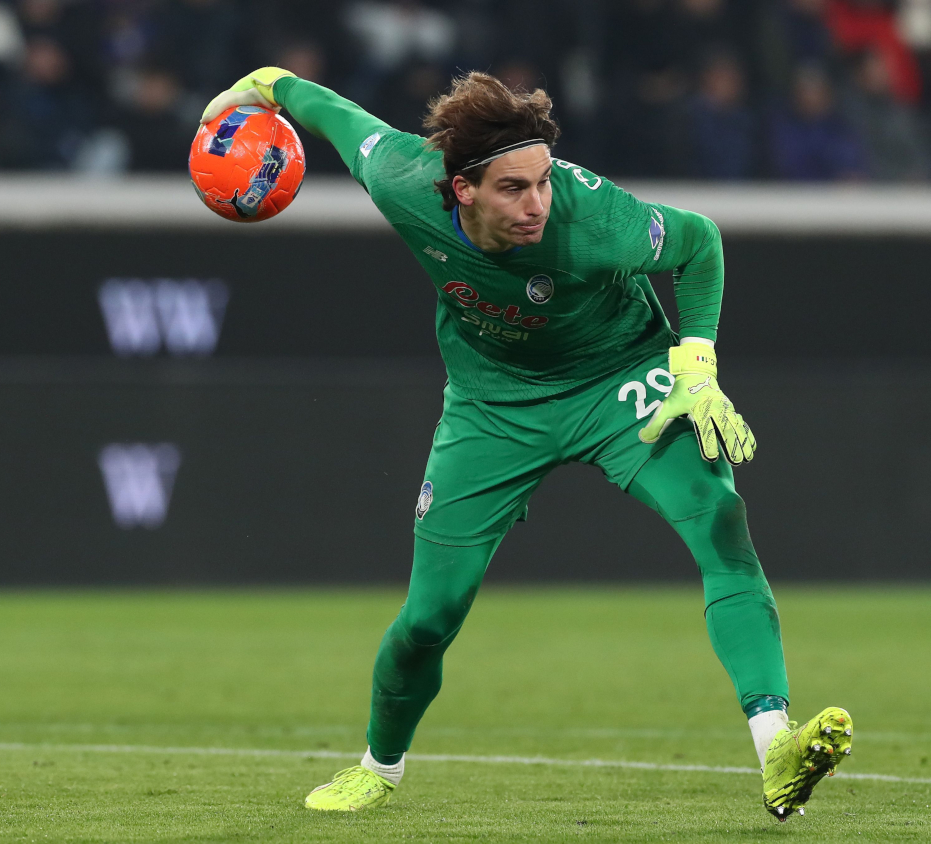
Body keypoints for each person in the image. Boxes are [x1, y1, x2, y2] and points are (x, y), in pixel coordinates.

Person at [200, 67, 853, 821]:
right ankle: (378, 767)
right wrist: (264, 86)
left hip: (621, 376)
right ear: (462, 189)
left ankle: (775, 743)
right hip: (494, 406)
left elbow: (699, 243)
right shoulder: (403, 177)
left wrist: (695, 361)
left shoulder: (594, 216)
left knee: (719, 521)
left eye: (542, 181)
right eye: (514, 188)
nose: (537, 203)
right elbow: (333, 111)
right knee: (428, 619)